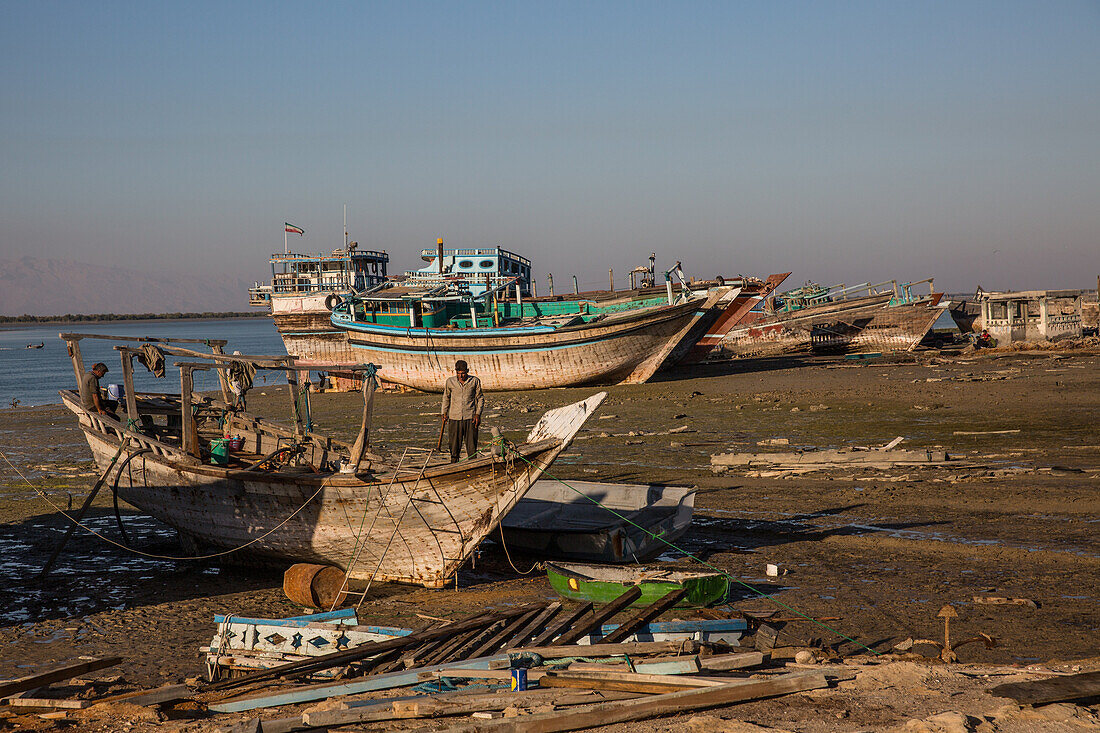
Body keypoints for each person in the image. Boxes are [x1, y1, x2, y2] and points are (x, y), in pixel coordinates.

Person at [441, 360, 484, 462]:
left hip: (471, 418)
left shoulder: (475, 381)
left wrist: (478, 414)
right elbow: (446, 398)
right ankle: (454, 466)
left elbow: (480, 398)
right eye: (459, 373)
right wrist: (444, 413)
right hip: (454, 418)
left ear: (467, 371)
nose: (461, 376)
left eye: (463, 373)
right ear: (456, 372)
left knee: (472, 447)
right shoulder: (450, 382)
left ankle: (473, 467)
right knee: (454, 446)